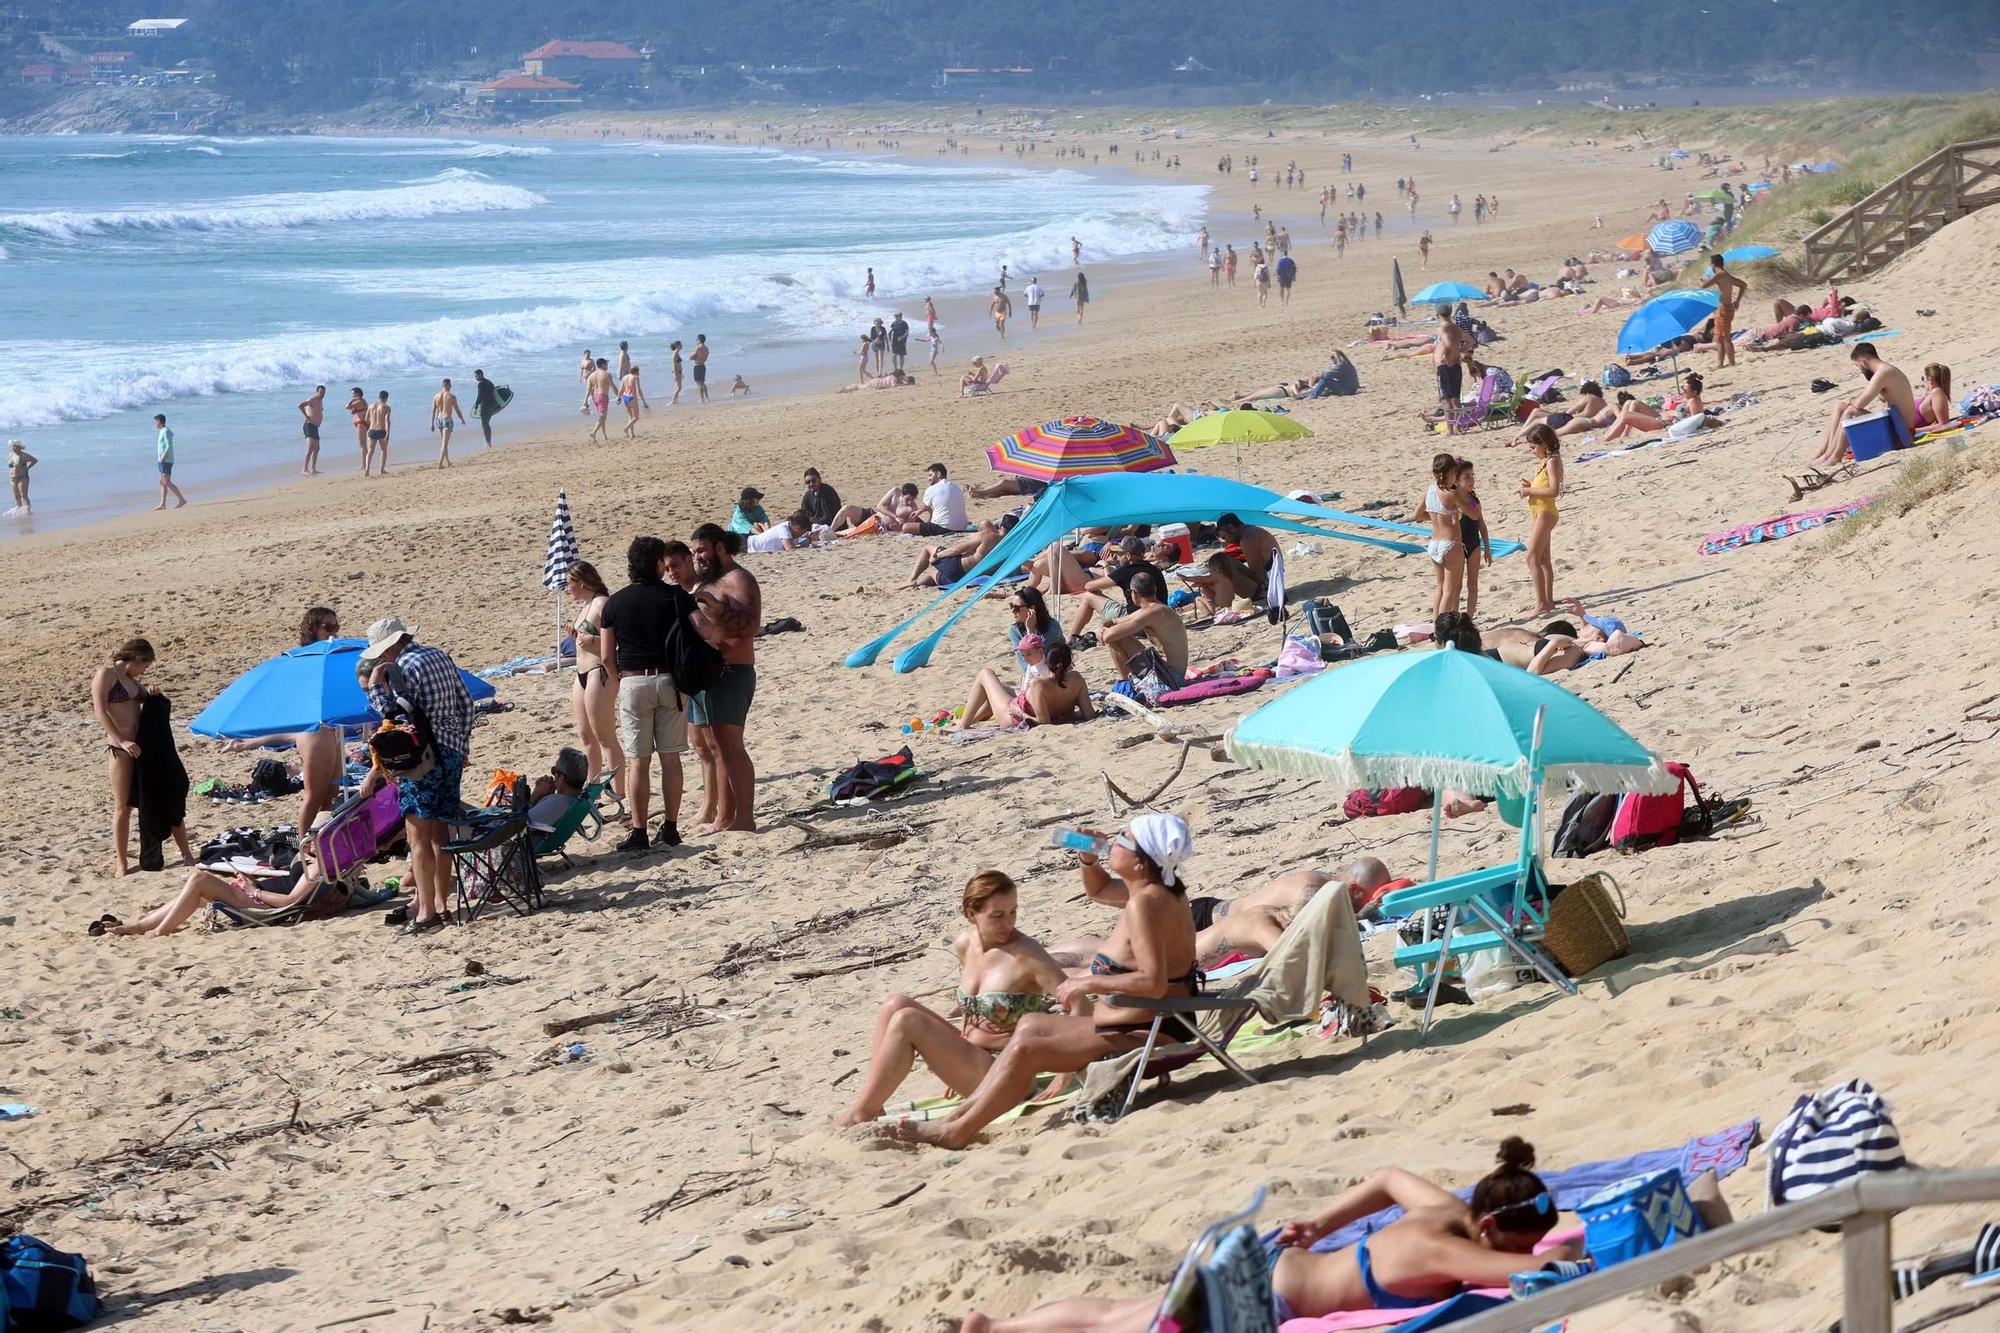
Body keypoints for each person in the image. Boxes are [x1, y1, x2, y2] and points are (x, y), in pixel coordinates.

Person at [960, 1137, 1572, 1331]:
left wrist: (1321, 1223)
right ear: (1488, 1224)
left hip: (1261, 1261)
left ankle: (999, 1328)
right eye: (1516, 1241)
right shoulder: (1447, 1247)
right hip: (1259, 1302)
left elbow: (1386, 1177)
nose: (1520, 1252)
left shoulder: (1442, 1211)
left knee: (1118, 1312)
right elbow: (1534, 1271)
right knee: (1125, 1325)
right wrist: (1566, 1247)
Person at [883, 814, 1201, 1150]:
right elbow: (1100, 889)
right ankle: (960, 1115)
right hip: (1140, 1023)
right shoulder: (1157, 890)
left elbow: (1152, 982)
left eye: (1123, 838)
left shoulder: (1144, 905)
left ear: (1139, 862)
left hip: (1152, 1032)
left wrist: (1089, 983)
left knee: (1027, 1047)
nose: (1114, 839)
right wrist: (1088, 859)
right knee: (1031, 1023)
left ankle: (957, 1130)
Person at [836, 871, 1066, 1126]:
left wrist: (1067, 1072)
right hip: (975, 1062)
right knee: (895, 1003)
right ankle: (872, 1103)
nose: (1008, 922)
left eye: (1013, 912)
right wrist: (955, 1062)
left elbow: (1080, 1005)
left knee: (908, 1020)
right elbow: (972, 1009)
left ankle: (862, 1113)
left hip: (1009, 1074)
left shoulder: (1027, 955)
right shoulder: (965, 944)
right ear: (971, 914)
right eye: (997, 915)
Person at [359, 617, 472, 934]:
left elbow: (393, 716)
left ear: (390, 645)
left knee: (418, 837)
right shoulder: (438, 655)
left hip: (421, 758)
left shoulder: (400, 668)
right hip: (450, 752)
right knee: (441, 835)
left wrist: (373, 689)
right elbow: (465, 704)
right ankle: (442, 906)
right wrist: (461, 746)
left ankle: (426, 912)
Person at [598, 536, 698, 853]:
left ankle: (639, 830)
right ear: (658, 564)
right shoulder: (676, 597)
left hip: (633, 681)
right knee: (670, 758)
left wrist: (617, 682)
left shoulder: (615, 602)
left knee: (638, 762)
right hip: (670, 680)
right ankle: (670, 828)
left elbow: (605, 655)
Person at [102, 833, 339, 939]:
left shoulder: (318, 868)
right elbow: (285, 884)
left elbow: (290, 901)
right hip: (257, 894)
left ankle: (160, 931)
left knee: (199, 879)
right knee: (196, 894)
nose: (307, 842)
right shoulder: (311, 861)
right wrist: (251, 881)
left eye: (312, 838)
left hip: (264, 906)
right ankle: (140, 926)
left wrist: (253, 891)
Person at [92, 637, 191, 876]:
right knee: (123, 806)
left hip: (144, 748)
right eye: (144, 666)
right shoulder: (105, 674)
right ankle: (122, 862)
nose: (143, 671)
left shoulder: (132, 681)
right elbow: (99, 710)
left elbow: (145, 703)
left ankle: (185, 852)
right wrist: (121, 740)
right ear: (136, 658)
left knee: (165, 798)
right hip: (120, 750)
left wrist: (152, 694)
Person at [689, 524, 761, 833]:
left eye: (702, 550)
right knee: (714, 747)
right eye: (694, 552)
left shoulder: (738, 579)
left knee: (731, 747)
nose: (698, 557)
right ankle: (724, 816)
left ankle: (744, 818)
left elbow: (749, 627)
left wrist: (716, 609)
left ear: (719, 547)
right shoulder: (708, 582)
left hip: (733, 672)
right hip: (707, 675)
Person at [565, 560, 624, 803]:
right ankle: (594, 784)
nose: (567, 588)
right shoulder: (586, 605)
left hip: (598, 671)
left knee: (605, 736)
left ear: (581, 582)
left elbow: (617, 642)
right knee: (586, 736)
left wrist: (591, 639)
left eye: (569, 583)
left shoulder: (603, 604)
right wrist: (577, 635)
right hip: (582, 673)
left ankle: (617, 789)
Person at [1810, 343, 1918, 469]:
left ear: (1862, 361)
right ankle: (1824, 452)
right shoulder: (1887, 370)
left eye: (1858, 365)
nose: (1860, 369)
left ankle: (1834, 457)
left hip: (1902, 433)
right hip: (1897, 425)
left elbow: (1860, 403)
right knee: (1840, 406)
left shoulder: (1883, 372)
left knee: (1850, 411)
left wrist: (1853, 401)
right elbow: (1883, 398)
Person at [1101, 569, 1188, 692]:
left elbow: (1107, 637)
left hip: (1171, 677)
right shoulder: (1156, 609)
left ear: (1134, 593)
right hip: (1171, 672)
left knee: (1117, 638)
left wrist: (1104, 631)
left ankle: (1127, 685)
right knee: (1116, 634)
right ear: (1155, 589)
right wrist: (1105, 626)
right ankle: (1129, 682)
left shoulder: (1151, 612)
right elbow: (1118, 621)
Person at [1185, 513, 1277, 614]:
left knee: (1223, 568)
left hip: (1265, 589)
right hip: (1272, 580)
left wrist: (1218, 577)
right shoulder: (1252, 530)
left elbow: (1259, 576)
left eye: (1225, 537)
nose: (1228, 542)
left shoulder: (1247, 540)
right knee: (1228, 562)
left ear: (1231, 528)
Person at [1412, 453, 1465, 618]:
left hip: (1434, 543)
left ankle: (1436, 625)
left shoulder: (1429, 491)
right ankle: (1442, 629)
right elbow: (1474, 514)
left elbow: (1418, 515)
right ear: (1452, 471)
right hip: (1450, 543)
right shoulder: (1451, 494)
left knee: (1440, 587)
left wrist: (1437, 518)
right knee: (1450, 589)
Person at [1519, 424, 1564, 616]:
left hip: (1545, 512)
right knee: (1543, 559)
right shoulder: (1546, 461)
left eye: (1533, 447)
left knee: (1531, 557)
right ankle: (1548, 601)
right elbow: (1545, 486)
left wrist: (1529, 491)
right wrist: (1531, 486)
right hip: (1539, 511)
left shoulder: (1553, 461)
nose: (1532, 452)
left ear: (1543, 444)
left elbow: (1554, 491)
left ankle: (1541, 604)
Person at [906, 518, 1007, 590]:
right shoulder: (1012, 547)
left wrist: (936, 555)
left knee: (927, 549)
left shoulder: (987, 535)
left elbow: (956, 550)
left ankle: (912, 580)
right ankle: (916, 585)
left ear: (1000, 527)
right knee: (933, 575)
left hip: (958, 568)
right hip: (967, 578)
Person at [1455, 458, 1491, 619]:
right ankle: (1454, 616)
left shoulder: (1473, 499)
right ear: (1455, 480)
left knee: (1473, 584)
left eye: (1472, 476)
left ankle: (1469, 617)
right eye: (1466, 477)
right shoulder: (1452, 500)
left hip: (1474, 543)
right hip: (1457, 544)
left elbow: (1481, 524)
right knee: (1456, 585)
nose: (1471, 480)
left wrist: (1488, 548)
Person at [1701, 254, 1747, 369]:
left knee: (1724, 338)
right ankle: (1720, 363)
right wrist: (1737, 301)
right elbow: (1743, 285)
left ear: (1713, 264)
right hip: (1727, 307)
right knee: (1719, 338)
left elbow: (1703, 285)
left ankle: (1731, 363)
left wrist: (1700, 279)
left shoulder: (1720, 275)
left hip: (1724, 309)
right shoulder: (1727, 275)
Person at [526, 747, 590, 828]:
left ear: (562, 778)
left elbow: (517, 827)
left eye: (554, 771)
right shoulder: (580, 799)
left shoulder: (556, 802)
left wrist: (533, 798)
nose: (553, 777)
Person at [1432, 306, 1467, 433]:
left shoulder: (1443, 327)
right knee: (1456, 399)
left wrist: (1446, 356)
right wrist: (1458, 351)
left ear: (1438, 315)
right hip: (1456, 364)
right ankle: (1457, 427)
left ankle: (1450, 429)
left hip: (1446, 366)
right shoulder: (1456, 327)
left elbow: (1447, 343)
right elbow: (1469, 341)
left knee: (1446, 400)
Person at [919, 462, 969, 536]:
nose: (928, 479)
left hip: (942, 527)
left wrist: (919, 510)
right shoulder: (955, 486)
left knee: (906, 527)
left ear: (938, 474)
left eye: (930, 475)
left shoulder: (932, 488)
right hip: (962, 527)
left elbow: (924, 506)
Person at [152, 413, 187, 509]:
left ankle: (181, 499)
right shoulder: (162, 431)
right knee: (162, 482)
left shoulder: (165, 431)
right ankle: (163, 503)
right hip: (162, 460)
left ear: (159, 421)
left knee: (166, 482)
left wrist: (164, 456)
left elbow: (169, 445)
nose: (155, 424)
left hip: (166, 460)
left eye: (155, 422)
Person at [745, 509, 817, 553]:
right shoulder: (784, 530)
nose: (801, 535)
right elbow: (790, 550)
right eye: (802, 532)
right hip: (749, 545)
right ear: (797, 528)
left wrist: (808, 542)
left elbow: (794, 546)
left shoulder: (790, 529)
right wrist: (808, 547)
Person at [430, 378, 464, 467]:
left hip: (438, 419)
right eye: (450, 385)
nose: (451, 386)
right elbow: (457, 410)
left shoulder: (435, 396)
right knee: (445, 443)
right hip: (447, 419)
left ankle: (448, 461)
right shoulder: (451, 396)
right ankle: (440, 464)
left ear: (442, 385)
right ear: (448, 385)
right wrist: (462, 419)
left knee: (444, 442)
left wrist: (432, 423)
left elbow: (433, 411)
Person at [1915, 362, 1953, 432]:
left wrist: (1915, 430)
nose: (1923, 382)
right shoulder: (1933, 394)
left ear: (1930, 380)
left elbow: (1944, 424)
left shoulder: (1937, 393)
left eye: (1924, 378)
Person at [298, 385, 326, 476]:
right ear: (316, 392)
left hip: (315, 427)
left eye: (324, 392)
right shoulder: (312, 399)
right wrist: (306, 416)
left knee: (317, 448)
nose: (322, 394)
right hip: (309, 425)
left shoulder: (320, 401)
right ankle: (304, 469)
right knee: (310, 447)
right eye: (321, 392)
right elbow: (300, 405)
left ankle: (313, 468)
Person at [471, 369, 502, 447]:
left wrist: (476, 406)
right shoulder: (489, 382)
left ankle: (488, 443)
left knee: (485, 424)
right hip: (492, 405)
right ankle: (489, 442)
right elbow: (495, 392)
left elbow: (479, 396)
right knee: (486, 423)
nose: (475, 378)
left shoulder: (481, 384)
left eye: (476, 376)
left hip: (485, 406)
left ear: (480, 374)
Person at [586, 358, 615, 441]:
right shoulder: (607, 374)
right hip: (603, 396)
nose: (607, 365)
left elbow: (588, 389)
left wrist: (585, 401)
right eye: (606, 363)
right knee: (603, 417)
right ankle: (593, 432)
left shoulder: (591, 375)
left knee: (602, 417)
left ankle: (604, 436)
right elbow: (612, 386)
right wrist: (618, 396)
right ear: (602, 365)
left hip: (595, 397)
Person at [365, 392, 392, 476]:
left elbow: (366, 419)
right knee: (383, 450)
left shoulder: (370, 406)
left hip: (372, 430)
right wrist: (388, 433)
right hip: (381, 430)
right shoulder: (386, 407)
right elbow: (387, 420)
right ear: (386, 398)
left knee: (370, 451)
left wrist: (372, 423)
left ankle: (367, 469)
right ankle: (381, 469)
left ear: (379, 397)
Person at [7, 438, 37, 514]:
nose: (14, 448)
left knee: (23, 495)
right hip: (13, 478)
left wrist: (28, 468)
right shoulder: (11, 454)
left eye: (16, 446)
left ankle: (28, 512)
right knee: (16, 495)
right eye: (13, 446)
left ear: (19, 447)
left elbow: (34, 460)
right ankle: (19, 511)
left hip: (22, 477)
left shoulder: (24, 455)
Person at [619, 364, 649, 438]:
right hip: (632, 398)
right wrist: (644, 401)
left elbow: (621, 388)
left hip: (625, 397)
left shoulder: (625, 377)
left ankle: (632, 434)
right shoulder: (635, 377)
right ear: (637, 371)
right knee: (636, 417)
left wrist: (618, 397)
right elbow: (639, 390)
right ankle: (626, 429)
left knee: (630, 416)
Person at [346, 387, 369, 469]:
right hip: (360, 423)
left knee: (362, 445)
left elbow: (347, 407)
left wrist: (352, 400)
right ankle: (365, 463)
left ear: (358, 394)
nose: (352, 395)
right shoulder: (360, 401)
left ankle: (364, 464)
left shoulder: (360, 401)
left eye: (353, 394)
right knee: (363, 445)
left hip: (361, 424)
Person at [691, 334, 711, 402]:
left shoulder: (698, 347)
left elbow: (691, 357)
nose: (696, 341)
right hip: (703, 365)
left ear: (699, 340)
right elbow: (705, 357)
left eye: (697, 339)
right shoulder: (706, 348)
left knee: (699, 383)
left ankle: (702, 398)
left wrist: (695, 357)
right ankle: (707, 397)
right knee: (702, 382)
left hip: (697, 366)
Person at [670, 340, 685, 405]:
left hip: (679, 372)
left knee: (678, 388)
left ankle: (676, 401)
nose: (682, 346)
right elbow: (674, 364)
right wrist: (676, 374)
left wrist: (681, 373)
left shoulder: (677, 353)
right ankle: (673, 401)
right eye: (681, 345)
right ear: (677, 346)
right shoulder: (675, 353)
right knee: (679, 388)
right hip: (676, 372)